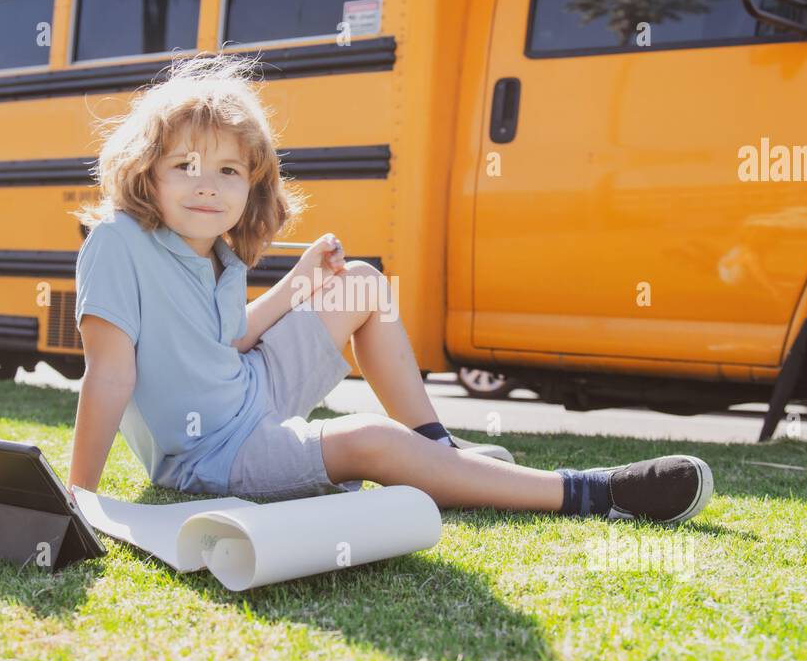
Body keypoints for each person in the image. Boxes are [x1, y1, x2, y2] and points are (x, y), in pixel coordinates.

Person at [67, 53, 713, 523]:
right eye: (184, 165)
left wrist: (300, 283)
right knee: (368, 438)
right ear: (144, 174)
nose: (207, 183)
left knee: (363, 285)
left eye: (228, 169)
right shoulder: (119, 241)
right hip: (211, 453)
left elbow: (229, 339)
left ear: (252, 186)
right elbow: (110, 376)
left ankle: (435, 446)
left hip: (251, 392)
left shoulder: (219, 254)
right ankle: (589, 490)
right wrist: (82, 496)